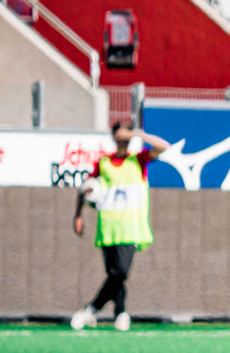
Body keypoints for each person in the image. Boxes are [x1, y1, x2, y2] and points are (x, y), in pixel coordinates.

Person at [71, 119, 169, 331]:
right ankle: (121, 314)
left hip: (130, 227)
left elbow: (163, 147)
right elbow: (85, 187)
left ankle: (92, 308)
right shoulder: (104, 163)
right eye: (120, 133)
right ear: (114, 136)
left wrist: (139, 135)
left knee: (121, 272)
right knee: (114, 275)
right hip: (108, 227)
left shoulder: (139, 160)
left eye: (127, 133)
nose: (123, 136)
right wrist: (78, 215)